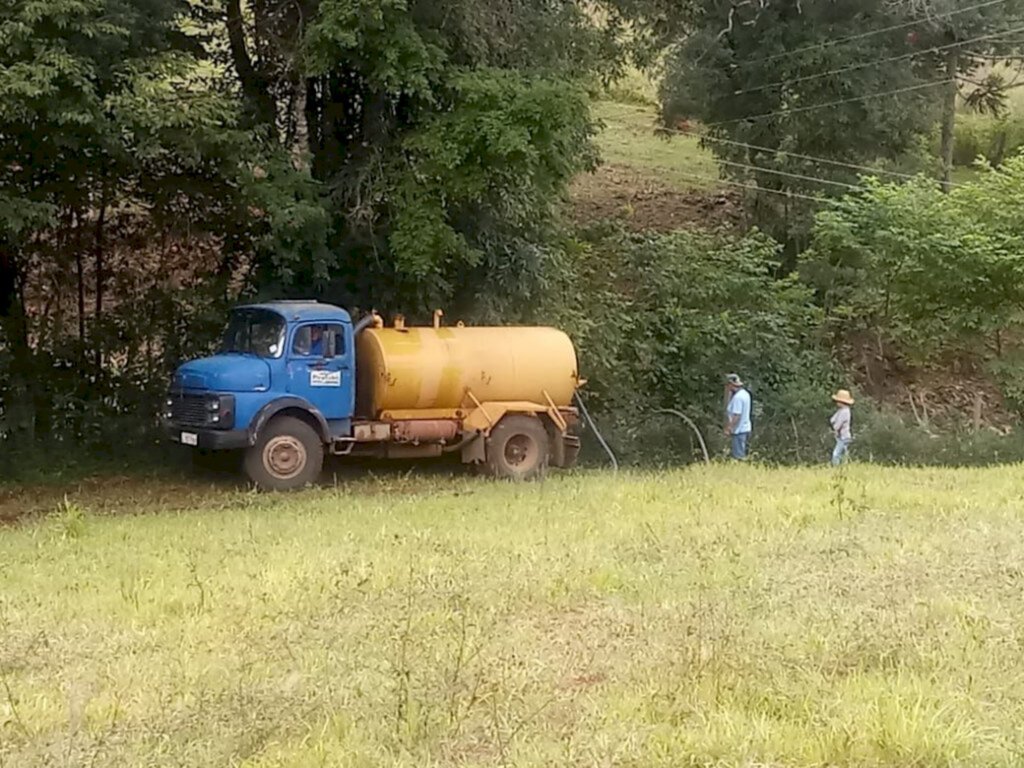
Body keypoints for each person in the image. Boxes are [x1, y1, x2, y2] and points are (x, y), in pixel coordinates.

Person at [724, 373, 752, 460]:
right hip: (745, 428)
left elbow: (737, 415)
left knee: (738, 456)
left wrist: (729, 428)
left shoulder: (737, 398)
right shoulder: (745, 394)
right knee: (742, 453)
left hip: (738, 430)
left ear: (731, 385)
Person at [829, 389, 855, 466]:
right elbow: (832, 419)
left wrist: (834, 427)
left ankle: (836, 467)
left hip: (844, 437)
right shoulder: (841, 410)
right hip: (842, 436)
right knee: (843, 453)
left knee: (836, 454)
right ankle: (844, 466)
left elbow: (837, 425)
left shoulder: (845, 412)